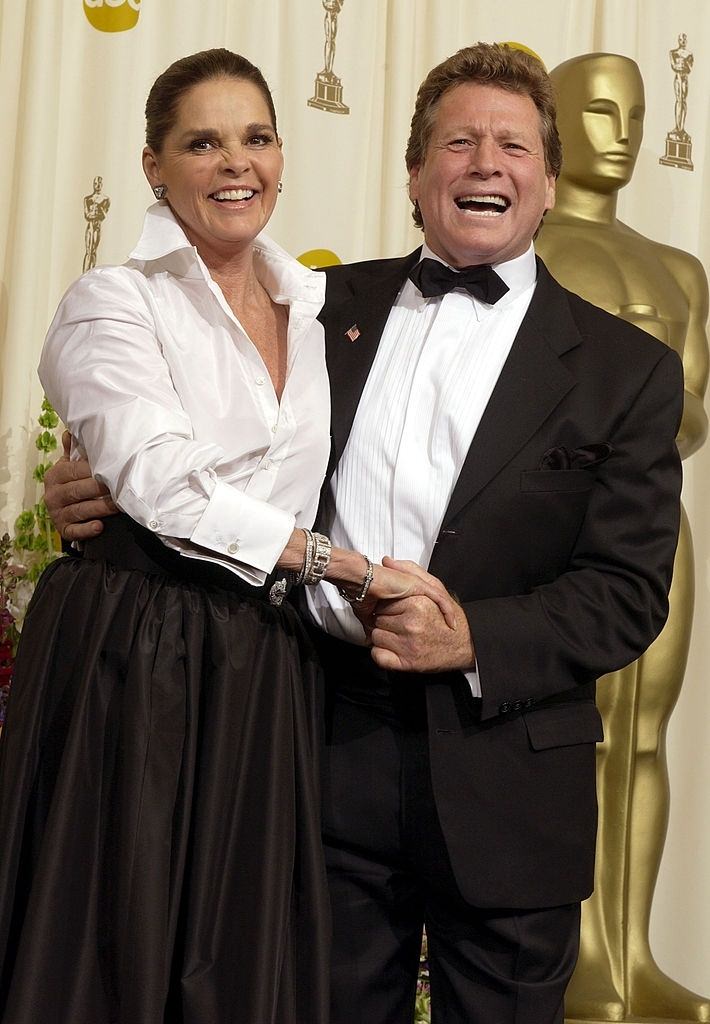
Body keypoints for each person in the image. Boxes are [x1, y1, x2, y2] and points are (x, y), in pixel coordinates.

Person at [44, 43, 684, 1024]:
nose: (482, 162)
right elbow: (212, 443)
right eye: (456, 141)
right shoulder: (313, 309)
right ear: (415, 174)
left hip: (508, 782)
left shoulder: (625, 369)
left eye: (510, 144)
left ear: (546, 182)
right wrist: (91, 480)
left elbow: (626, 589)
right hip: (311, 756)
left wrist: (473, 637)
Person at [0, 47, 455, 1024]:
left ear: (283, 157)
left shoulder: (324, 307)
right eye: (200, 143)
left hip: (258, 659)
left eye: (253, 138)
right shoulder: (112, 301)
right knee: (114, 939)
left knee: (236, 950)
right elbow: (158, 480)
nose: (232, 163)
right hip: (134, 648)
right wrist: (337, 563)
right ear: (153, 166)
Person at [536, 52, 709, 1023]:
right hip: (565, 523)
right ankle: (572, 961)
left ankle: (630, 956)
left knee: (644, 739)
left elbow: (694, 414)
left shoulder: (680, 268)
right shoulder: (534, 252)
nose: (625, 128)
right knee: (573, 734)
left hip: (658, 520)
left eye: (635, 111)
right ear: (557, 118)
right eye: (600, 108)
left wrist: (644, 413)